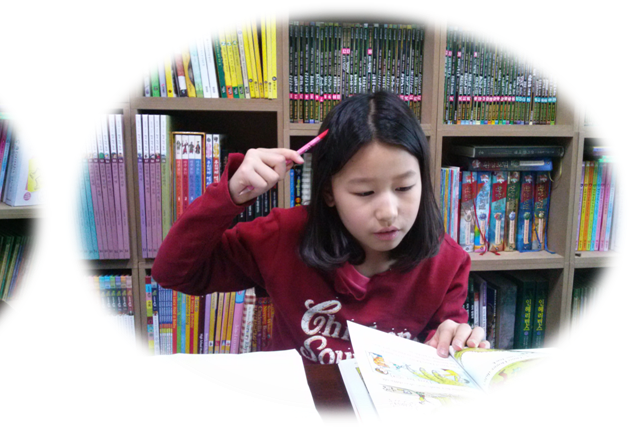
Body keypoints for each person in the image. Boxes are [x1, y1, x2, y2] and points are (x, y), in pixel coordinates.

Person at [151, 91, 489, 364]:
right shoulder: (283, 236)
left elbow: (442, 348)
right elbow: (174, 273)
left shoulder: (446, 262)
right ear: (329, 192)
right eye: (364, 192)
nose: (388, 212)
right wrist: (229, 196)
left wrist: (456, 341)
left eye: (404, 187)